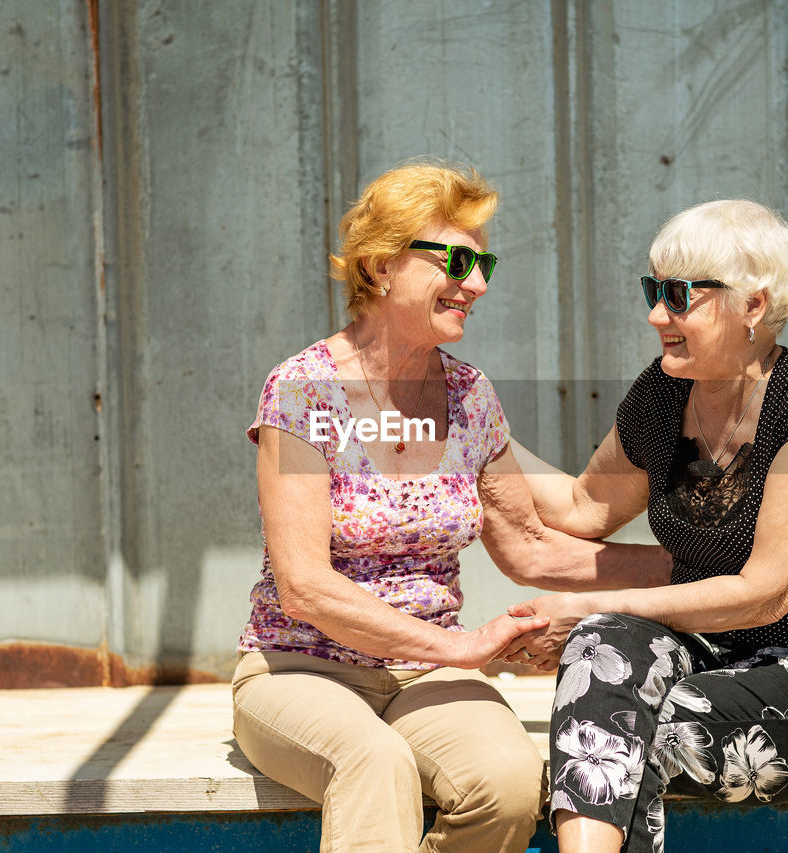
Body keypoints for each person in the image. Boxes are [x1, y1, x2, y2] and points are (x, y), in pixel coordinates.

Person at [232, 159, 668, 853]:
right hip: (300, 666)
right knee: (376, 763)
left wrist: (696, 568)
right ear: (381, 266)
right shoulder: (303, 392)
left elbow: (529, 546)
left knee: (506, 782)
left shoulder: (470, 396)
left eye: (484, 261)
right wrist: (460, 646)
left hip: (425, 674)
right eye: (459, 260)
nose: (479, 284)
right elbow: (305, 586)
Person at [493, 199, 788, 853]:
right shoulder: (662, 395)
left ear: (753, 306)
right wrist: (472, 425)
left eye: (680, 295)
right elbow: (580, 507)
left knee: (628, 735)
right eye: (653, 290)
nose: (657, 315)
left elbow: (764, 590)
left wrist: (580, 607)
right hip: (716, 655)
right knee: (602, 652)